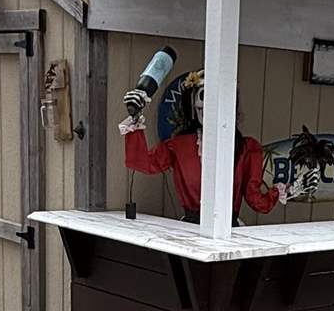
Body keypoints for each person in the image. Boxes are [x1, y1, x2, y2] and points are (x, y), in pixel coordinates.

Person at [120, 69, 286, 220]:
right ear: (193, 103)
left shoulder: (246, 148)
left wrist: (278, 192)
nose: (209, 105)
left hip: (227, 232)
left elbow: (256, 200)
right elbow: (143, 163)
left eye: (217, 99)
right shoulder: (179, 146)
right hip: (189, 231)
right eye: (204, 96)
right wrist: (135, 117)